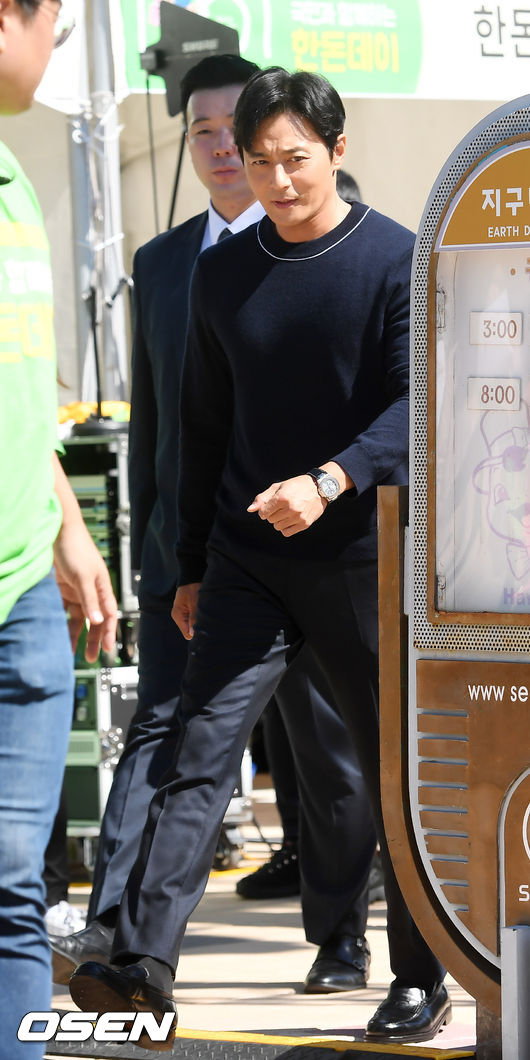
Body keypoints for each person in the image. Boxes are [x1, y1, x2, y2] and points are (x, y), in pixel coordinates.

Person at [69, 67, 451, 1046]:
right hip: (244, 558)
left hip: (359, 555)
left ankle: (416, 975)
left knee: (383, 765)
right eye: (257, 161)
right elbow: (200, 424)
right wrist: (190, 564)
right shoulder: (222, 273)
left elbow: (415, 407)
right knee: (198, 749)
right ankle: (144, 964)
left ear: (333, 151)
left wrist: (330, 478)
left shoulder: (395, 261)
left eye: (295, 159)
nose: (277, 181)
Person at [0, 3, 118, 1058]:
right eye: (59, 27)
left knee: (16, 893)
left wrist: (70, 528)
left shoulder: (18, 180)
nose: (62, 53)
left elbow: (22, 399)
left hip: (27, 587)